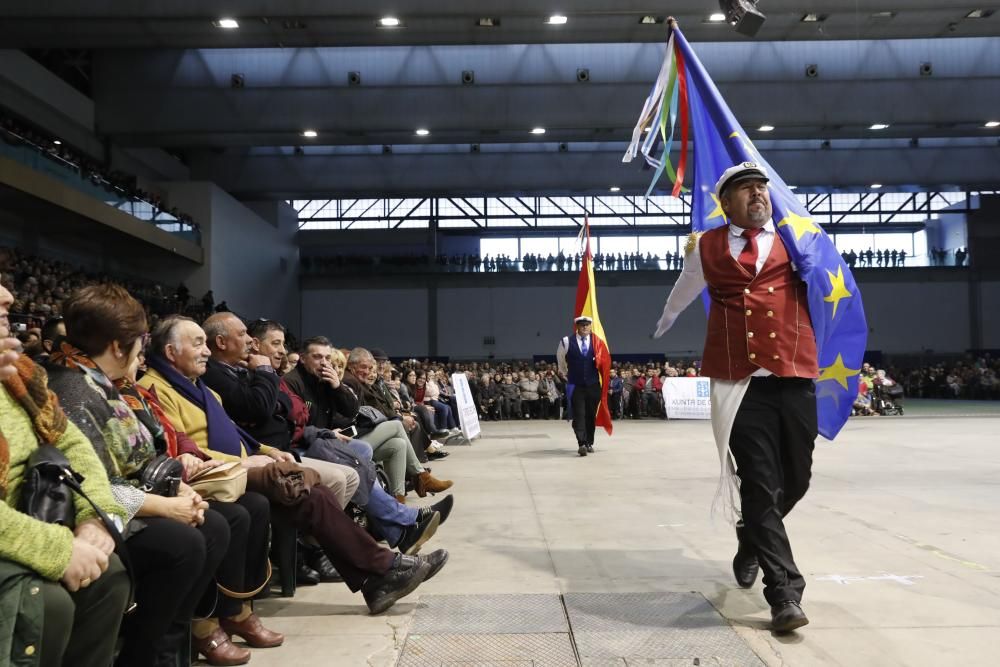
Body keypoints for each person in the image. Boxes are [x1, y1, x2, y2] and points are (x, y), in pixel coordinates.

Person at [139, 317, 448, 614]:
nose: (205, 350)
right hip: (218, 475)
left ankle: (378, 575)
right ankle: (381, 566)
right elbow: (188, 449)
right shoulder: (158, 389)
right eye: (197, 344)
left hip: (251, 462)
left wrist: (267, 450)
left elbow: (244, 428)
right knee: (313, 483)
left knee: (319, 492)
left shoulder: (197, 384)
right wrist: (249, 459)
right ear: (170, 352)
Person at [44, 285, 280, 666]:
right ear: (119, 347)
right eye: (140, 342)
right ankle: (147, 653)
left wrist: (180, 490)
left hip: (142, 491)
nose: (144, 351)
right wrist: (167, 506)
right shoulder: (73, 389)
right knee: (183, 542)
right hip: (94, 513)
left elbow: (156, 451)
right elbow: (93, 486)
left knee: (217, 525)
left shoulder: (112, 385)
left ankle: (173, 645)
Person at [653, 162, 818, 632]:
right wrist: (664, 321)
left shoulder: (796, 237)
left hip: (794, 374)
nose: (757, 195)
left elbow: (832, 285)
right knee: (760, 484)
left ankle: (750, 537)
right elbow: (684, 289)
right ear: (725, 203)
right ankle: (784, 594)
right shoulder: (706, 246)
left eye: (762, 187)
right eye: (745, 189)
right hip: (738, 383)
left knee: (798, 479)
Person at [0, 284, 131, 667]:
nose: (9, 295)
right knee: (46, 603)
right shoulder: (77, 385)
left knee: (110, 575)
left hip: (40, 512)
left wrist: (96, 517)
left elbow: (74, 445)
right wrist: (58, 549)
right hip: (21, 533)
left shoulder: (20, 372)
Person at [556, 316, 604, 456]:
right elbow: (560, 360)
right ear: (577, 326)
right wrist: (565, 373)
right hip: (576, 385)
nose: (584, 327)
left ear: (590, 326)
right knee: (579, 414)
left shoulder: (596, 341)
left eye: (587, 325)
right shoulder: (566, 341)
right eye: (581, 325)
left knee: (590, 415)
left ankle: (589, 442)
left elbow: (604, 361)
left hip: (593, 385)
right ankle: (581, 443)